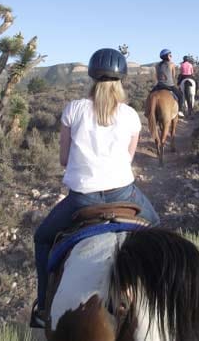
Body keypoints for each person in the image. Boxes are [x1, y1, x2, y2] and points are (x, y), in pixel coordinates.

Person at [30, 48, 160, 328]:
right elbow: (128, 158)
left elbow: (64, 160)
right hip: (124, 194)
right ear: (121, 80)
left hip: (82, 199)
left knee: (42, 239)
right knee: (158, 227)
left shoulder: (74, 109)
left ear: (91, 77)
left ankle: (42, 308)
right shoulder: (130, 116)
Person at [148, 48, 184, 117]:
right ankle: (180, 111)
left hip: (159, 85)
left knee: (150, 95)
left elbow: (157, 76)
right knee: (180, 96)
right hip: (169, 85)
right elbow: (173, 76)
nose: (171, 56)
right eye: (170, 55)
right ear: (167, 56)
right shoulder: (172, 64)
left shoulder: (157, 65)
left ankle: (148, 111)